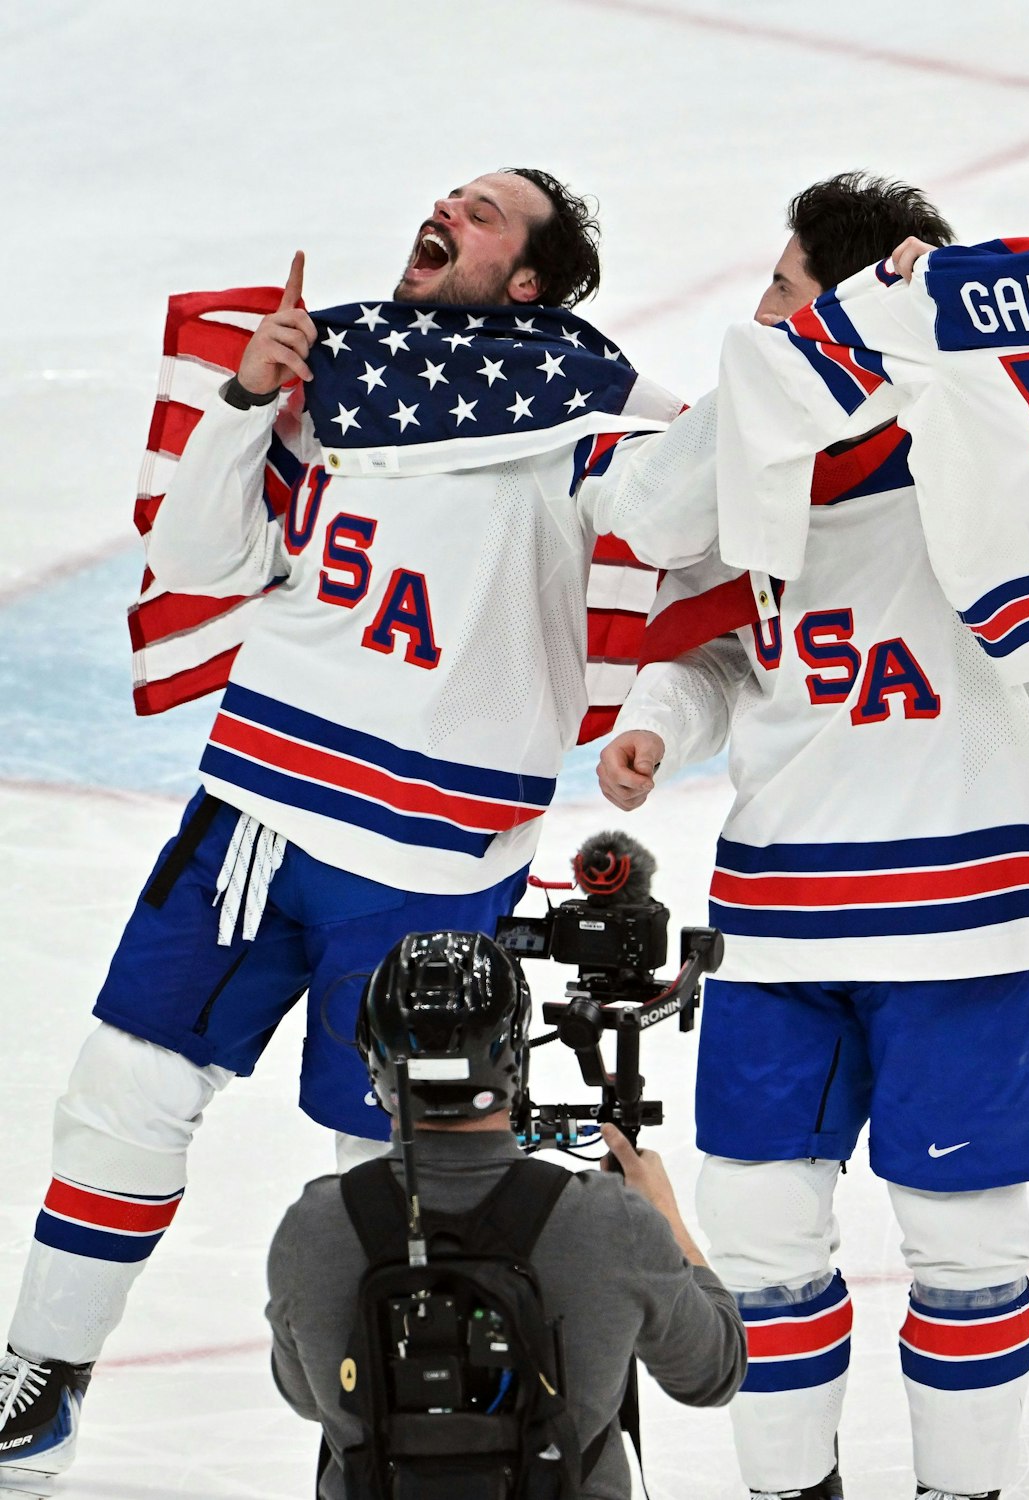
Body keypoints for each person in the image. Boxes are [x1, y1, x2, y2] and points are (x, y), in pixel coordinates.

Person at [0, 168, 719, 1491]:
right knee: (120, 1102)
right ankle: (39, 1379)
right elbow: (205, 562)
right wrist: (241, 399)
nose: (449, 205)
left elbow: (676, 516)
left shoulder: (581, 403)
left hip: (430, 860)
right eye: (454, 192)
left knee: (400, 1170)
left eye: (489, 208)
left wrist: (767, 389)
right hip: (261, 813)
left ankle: (424, 1450)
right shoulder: (339, 370)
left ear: (525, 282)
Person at [596, 173, 1029, 1500]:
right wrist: (659, 712)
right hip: (780, 911)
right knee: (761, 1239)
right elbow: (657, 541)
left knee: (966, 1247)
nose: (759, 316)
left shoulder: (981, 438)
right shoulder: (751, 456)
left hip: (966, 896)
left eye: (782, 291)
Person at [266, 929, 745, 1500]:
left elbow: (304, 1396)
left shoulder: (316, 1226)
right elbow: (713, 1372)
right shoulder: (610, 1222)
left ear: (377, 1064)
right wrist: (662, 1217)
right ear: (512, 1056)